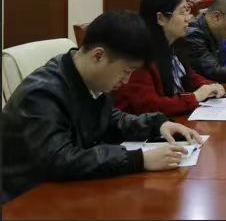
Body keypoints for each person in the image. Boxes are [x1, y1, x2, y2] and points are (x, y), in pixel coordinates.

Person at [1, 10, 203, 202]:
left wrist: (157, 125)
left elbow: (109, 119)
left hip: (72, 190)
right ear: (98, 56)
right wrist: (139, 159)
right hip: (28, 200)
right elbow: (60, 160)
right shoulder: (41, 94)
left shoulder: (86, 77)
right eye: (126, 71)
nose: (126, 80)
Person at [113, 0, 225, 116]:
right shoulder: (140, 55)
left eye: (188, 11)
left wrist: (210, 86)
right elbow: (149, 107)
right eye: (182, 12)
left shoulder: (174, 45)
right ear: (160, 18)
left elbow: (189, 77)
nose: (188, 18)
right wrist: (195, 97)